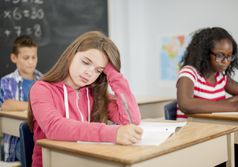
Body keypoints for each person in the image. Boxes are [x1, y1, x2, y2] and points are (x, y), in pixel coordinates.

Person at [28, 31, 143, 167]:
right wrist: (112, 133)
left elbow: (131, 120)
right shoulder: (42, 89)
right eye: (86, 62)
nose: (89, 73)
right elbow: (54, 127)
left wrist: (113, 73)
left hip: (85, 161)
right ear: (71, 54)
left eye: (98, 70)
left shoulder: (95, 93)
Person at [176, 27, 238, 167]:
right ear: (204, 54)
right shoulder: (189, 73)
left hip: (214, 136)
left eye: (230, 56)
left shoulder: (220, 77)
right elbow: (186, 104)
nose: (226, 61)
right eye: (220, 55)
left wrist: (233, 100)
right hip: (191, 140)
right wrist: (233, 105)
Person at [0, 35, 42, 162]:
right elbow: (7, 105)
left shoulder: (43, 80)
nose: (31, 62)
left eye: (33, 57)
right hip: (16, 141)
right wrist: (38, 105)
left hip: (40, 136)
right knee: (28, 150)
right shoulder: (7, 81)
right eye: (26, 58)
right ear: (14, 58)